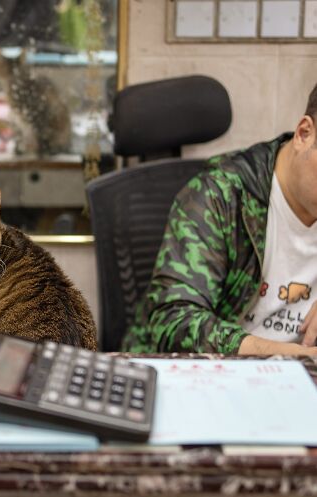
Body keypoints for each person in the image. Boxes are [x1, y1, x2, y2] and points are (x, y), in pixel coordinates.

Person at [122, 82, 317, 356]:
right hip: (216, 372)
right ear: (304, 134)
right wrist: (293, 355)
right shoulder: (220, 194)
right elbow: (174, 321)